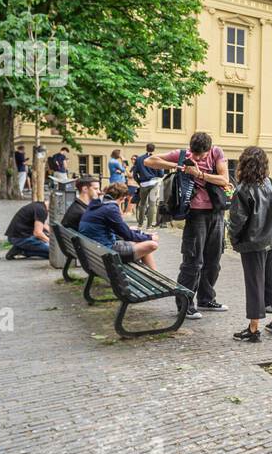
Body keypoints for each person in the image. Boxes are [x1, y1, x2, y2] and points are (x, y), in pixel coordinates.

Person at [145, 132, 230, 319]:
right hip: (196, 214)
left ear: (209, 149)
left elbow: (225, 180)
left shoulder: (217, 153)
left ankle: (206, 299)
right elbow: (150, 161)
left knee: (213, 260)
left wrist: (199, 173)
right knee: (193, 261)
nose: (198, 158)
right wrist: (177, 166)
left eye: (202, 155)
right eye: (195, 154)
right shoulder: (184, 154)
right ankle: (185, 304)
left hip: (216, 212)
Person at [227, 146, 272, 342]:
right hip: (271, 240)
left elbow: (237, 221)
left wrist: (233, 239)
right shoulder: (270, 184)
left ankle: (253, 329)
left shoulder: (242, 190)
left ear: (244, 164)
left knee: (254, 284)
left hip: (253, 243)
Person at [78, 183, 158, 268]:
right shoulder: (110, 209)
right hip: (107, 252)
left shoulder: (96, 204)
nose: (123, 202)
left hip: (96, 250)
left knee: (141, 242)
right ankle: (156, 277)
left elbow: (122, 230)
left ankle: (155, 277)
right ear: (122, 197)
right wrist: (150, 237)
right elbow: (128, 235)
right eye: (124, 199)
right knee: (152, 245)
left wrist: (142, 234)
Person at [131, 142, 164, 231]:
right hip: (154, 183)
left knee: (142, 204)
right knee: (152, 204)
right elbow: (161, 174)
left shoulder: (139, 159)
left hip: (143, 184)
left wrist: (139, 182)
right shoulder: (157, 158)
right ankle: (149, 226)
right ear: (154, 149)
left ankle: (140, 224)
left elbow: (134, 174)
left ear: (146, 148)